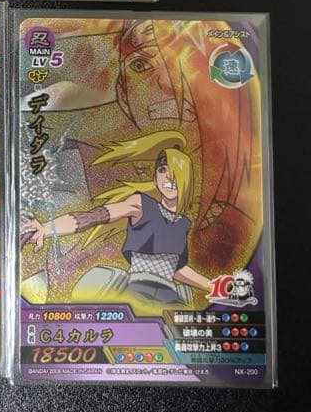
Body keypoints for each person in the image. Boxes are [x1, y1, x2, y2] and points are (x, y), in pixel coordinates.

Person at [22, 130, 213, 307]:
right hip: (137, 290)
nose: (167, 177)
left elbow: (175, 268)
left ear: (186, 179)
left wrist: (212, 286)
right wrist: (47, 228)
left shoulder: (182, 224)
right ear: (155, 179)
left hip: (169, 297)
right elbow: (93, 217)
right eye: (162, 170)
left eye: (174, 171)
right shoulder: (141, 204)